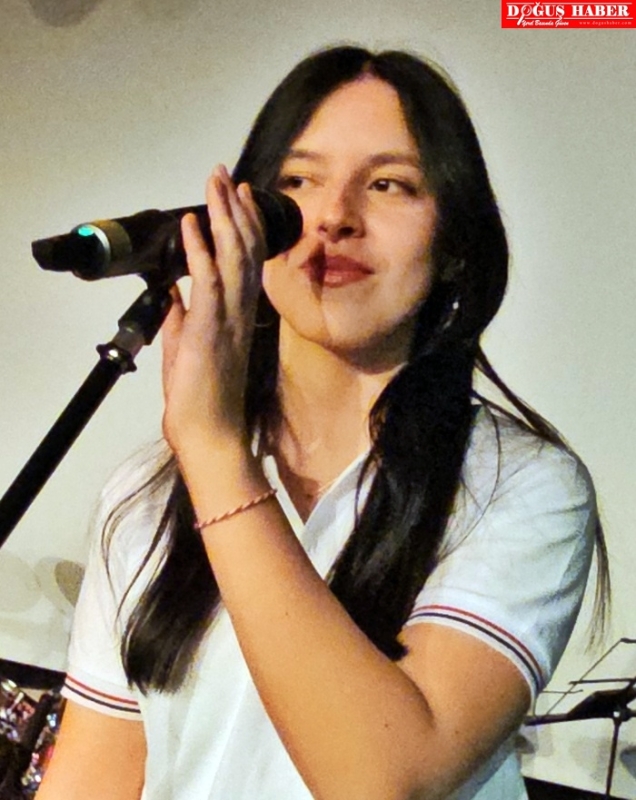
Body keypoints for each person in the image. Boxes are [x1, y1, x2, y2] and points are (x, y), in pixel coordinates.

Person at [36, 45, 608, 800]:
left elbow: (384, 779)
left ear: (455, 246)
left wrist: (215, 451)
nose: (334, 217)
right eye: (298, 183)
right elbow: (92, 780)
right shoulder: (147, 495)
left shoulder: (521, 486)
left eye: (388, 184)